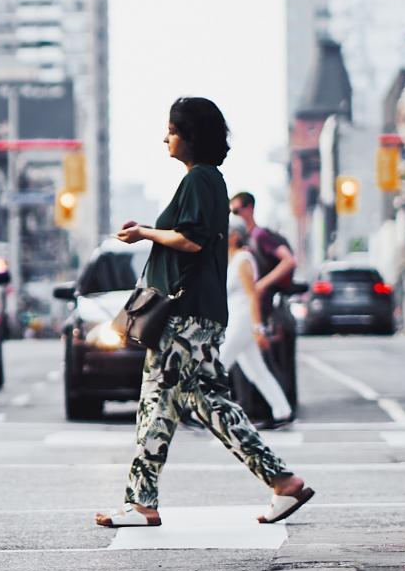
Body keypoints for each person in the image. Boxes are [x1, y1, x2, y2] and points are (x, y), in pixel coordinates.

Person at [95, 96, 313, 529]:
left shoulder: (200, 181)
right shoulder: (210, 182)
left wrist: (143, 233)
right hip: (200, 314)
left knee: (161, 401)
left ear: (190, 137)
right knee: (203, 402)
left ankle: (142, 503)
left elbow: (192, 240)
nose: (165, 137)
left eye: (172, 130)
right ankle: (282, 481)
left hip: (183, 315)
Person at [221, 217, 294, 427]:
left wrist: (257, 327)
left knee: (218, 364)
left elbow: (252, 295)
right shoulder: (232, 260)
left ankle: (196, 412)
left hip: (244, 320)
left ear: (234, 236)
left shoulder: (243, 259)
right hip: (237, 319)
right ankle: (283, 412)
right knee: (256, 370)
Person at [229, 192, 297, 314]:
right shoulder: (243, 238)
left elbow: (289, 261)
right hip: (247, 304)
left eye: (236, 211)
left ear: (249, 208)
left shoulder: (260, 235)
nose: (234, 216)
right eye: (231, 212)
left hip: (263, 304)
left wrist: (261, 285)